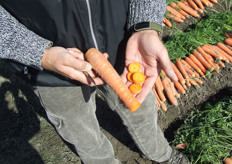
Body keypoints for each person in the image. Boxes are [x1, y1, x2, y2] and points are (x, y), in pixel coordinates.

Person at [0, 1, 190, 163]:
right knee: (81, 131)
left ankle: (161, 154)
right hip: (51, 67)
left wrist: (146, 24)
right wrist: (39, 53)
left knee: (142, 110)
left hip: (122, 48)